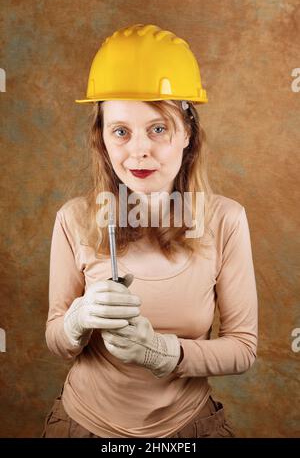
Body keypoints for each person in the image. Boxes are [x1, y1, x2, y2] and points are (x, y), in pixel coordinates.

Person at [42, 24, 258, 438]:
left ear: (188, 134)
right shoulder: (73, 219)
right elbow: (57, 340)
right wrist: (76, 321)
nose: (138, 149)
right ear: (102, 140)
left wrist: (165, 353)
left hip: (189, 428)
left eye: (158, 128)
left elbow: (243, 349)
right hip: (83, 424)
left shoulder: (227, 220)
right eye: (120, 131)